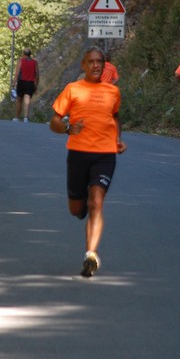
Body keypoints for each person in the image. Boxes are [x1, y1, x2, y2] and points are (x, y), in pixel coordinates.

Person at [50, 46, 127, 277]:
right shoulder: (72, 89)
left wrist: (117, 139)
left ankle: (90, 254)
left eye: (100, 61)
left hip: (104, 155)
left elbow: (114, 116)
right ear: (83, 65)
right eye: (91, 61)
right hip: (78, 154)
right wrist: (67, 128)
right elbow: (53, 121)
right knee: (77, 208)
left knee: (97, 202)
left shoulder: (113, 92)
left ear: (104, 65)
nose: (96, 65)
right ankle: (81, 206)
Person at [12, 48, 39, 122]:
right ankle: (25, 118)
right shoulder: (34, 62)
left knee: (19, 100)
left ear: (23, 54)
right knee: (27, 99)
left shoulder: (20, 61)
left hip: (21, 82)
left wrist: (13, 83)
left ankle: (16, 117)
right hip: (30, 83)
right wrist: (36, 87)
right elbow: (37, 75)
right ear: (30, 54)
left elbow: (17, 73)